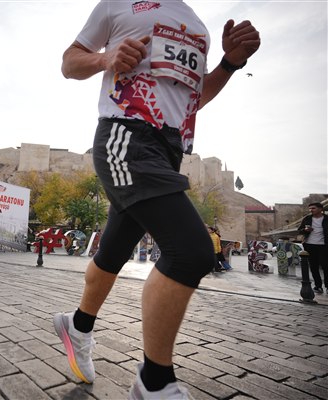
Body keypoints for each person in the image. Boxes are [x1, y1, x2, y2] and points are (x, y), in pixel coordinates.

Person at [52, 3, 260, 398]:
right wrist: (105, 58)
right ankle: (155, 381)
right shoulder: (117, 5)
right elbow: (69, 63)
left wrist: (229, 63)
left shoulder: (197, 26)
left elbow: (194, 98)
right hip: (126, 135)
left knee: (114, 252)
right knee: (192, 252)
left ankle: (77, 326)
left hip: (170, 148)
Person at [298, 202, 327, 293]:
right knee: (313, 267)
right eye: (310, 208)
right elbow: (299, 230)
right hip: (310, 245)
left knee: (325, 266)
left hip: (324, 245)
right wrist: (305, 230)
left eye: (313, 208)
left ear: (320, 209)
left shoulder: (326, 219)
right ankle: (318, 286)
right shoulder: (307, 218)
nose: (311, 210)